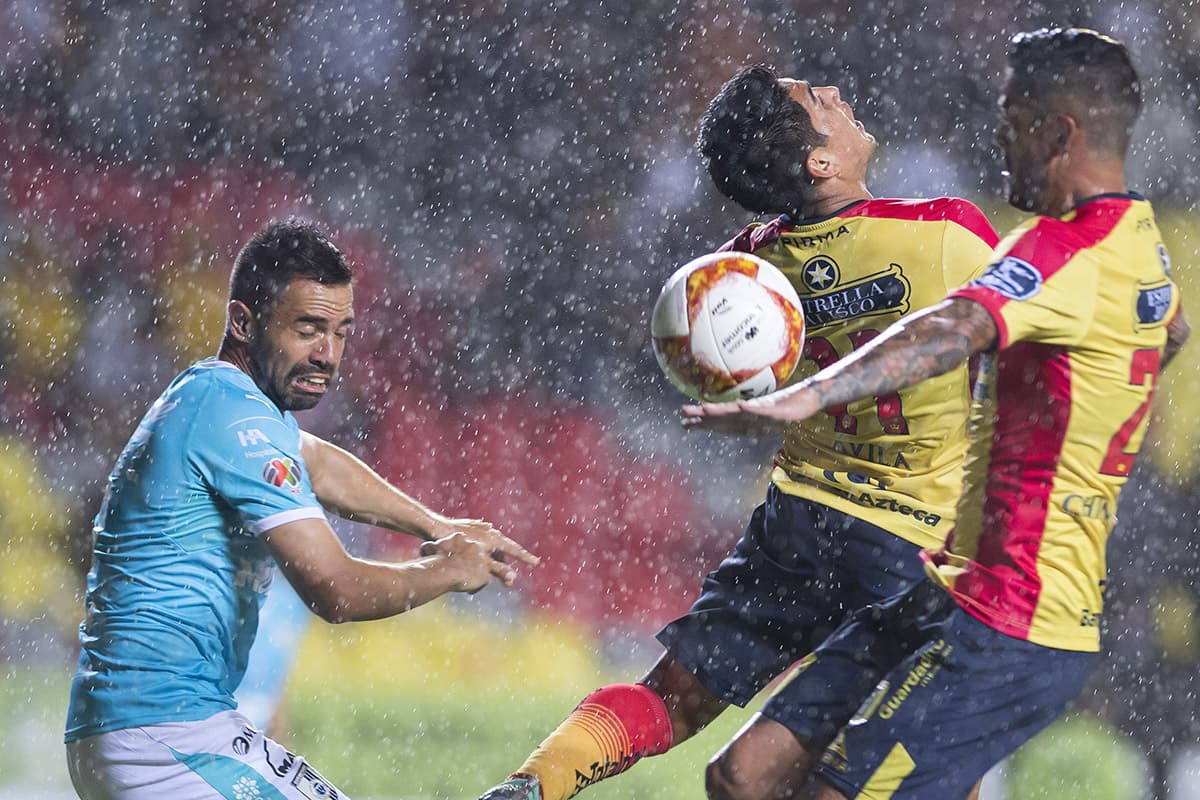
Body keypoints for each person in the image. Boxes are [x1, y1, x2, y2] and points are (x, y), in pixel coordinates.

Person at [685, 28, 1191, 800]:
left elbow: (954, 328)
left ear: (1060, 135)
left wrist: (810, 395)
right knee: (741, 776)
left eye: (1013, 121)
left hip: (1011, 623)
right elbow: (1170, 329)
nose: (1000, 140)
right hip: (950, 586)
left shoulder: (1059, 252)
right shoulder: (1137, 241)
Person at [477, 65, 998, 800]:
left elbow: (714, 356)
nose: (836, 93)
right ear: (820, 162)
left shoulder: (744, 265)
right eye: (818, 100)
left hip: (800, 528)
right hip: (912, 547)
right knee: (923, 759)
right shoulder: (945, 234)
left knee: (671, 699)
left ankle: (537, 782)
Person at [64, 220, 539, 800]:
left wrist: (438, 526)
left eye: (341, 333)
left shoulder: (218, 400)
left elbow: (319, 464)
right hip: (167, 740)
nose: (327, 355)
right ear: (243, 322)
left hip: (140, 730)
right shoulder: (235, 416)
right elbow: (335, 590)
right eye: (308, 329)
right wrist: (448, 571)